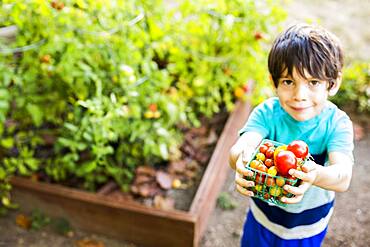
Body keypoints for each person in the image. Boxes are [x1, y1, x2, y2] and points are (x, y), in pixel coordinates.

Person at [229, 23, 354, 247]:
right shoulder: (267, 113)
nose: (299, 95)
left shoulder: (337, 124)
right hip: (262, 218)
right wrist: (240, 159)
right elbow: (241, 147)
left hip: (307, 226)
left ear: (333, 84)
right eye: (288, 81)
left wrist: (315, 174)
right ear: (273, 82)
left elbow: (343, 177)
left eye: (313, 82)